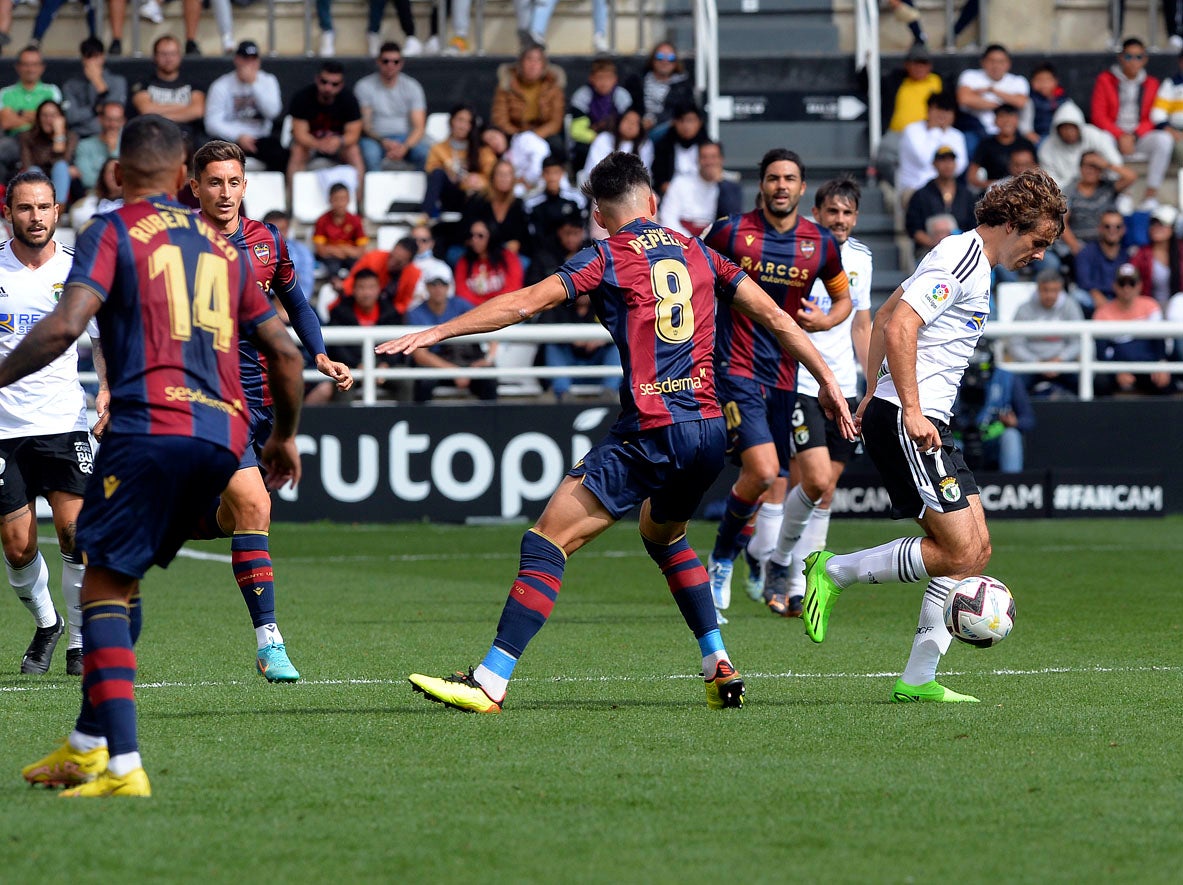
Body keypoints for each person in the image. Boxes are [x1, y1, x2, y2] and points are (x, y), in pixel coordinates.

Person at [377, 150, 855, 714]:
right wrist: (826, 380)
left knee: (546, 540)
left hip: (652, 428)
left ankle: (490, 681)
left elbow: (526, 303)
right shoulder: (703, 252)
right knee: (664, 536)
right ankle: (717, 662)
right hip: (706, 431)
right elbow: (777, 317)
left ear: (600, 216)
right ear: (653, 202)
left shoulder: (605, 255)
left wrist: (439, 331)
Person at [16, 114, 305, 798]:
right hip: (222, 438)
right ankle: (86, 743)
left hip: (148, 430)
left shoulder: (110, 231)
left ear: (116, 176)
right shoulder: (225, 246)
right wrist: (283, 436)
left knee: (102, 585)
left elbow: (63, 326)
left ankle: (120, 764)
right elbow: (288, 356)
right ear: (184, 178)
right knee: (124, 576)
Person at [799, 168, 1065, 704]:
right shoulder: (963, 257)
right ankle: (834, 571)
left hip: (911, 415)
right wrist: (905, 408)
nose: (1039, 255)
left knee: (975, 550)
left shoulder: (972, 262)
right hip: (912, 420)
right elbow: (900, 327)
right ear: (1012, 224)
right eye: (1037, 242)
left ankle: (918, 678)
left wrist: (871, 391)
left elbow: (890, 311)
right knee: (959, 549)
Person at [188, 139, 353, 679]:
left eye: (233, 181)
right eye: (214, 182)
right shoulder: (175, 243)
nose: (225, 192)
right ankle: (270, 642)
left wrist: (320, 353)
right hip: (206, 399)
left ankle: (176, 523)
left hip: (262, 399)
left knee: (237, 514)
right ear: (195, 187)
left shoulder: (267, 241)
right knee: (256, 508)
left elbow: (297, 301)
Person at [703, 149, 852, 624]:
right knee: (767, 472)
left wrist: (826, 319)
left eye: (789, 178)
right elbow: (692, 276)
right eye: (772, 178)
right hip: (734, 368)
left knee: (787, 477)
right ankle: (722, 560)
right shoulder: (730, 232)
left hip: (787, 377)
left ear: (802, 188)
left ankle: (751, 557)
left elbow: (843, 298)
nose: (781, 186)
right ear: (761, 185)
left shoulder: (821, 243)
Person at [0, 171, 105, 678]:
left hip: (64, 420)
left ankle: (80, 643)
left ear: (57, 211)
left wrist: (107, 389)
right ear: (9, 212)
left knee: (75, 533)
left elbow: (102, 337)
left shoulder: (77, 269)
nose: (35, 217)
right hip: (3, 427)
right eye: (25, 208)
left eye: (44, 207)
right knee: (18, 545)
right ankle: (48, 623)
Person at [756, 177, 872, 616]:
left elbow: (861, 324)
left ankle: (802, 585)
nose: (840, 220)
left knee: (825, 491)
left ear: (855, 218)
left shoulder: (861, 258)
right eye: (832, 212)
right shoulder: (797, 252)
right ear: (816, 214)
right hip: (801, 382)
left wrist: (868, 383)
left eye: (847, 213)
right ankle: (778, 560)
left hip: (843, 386)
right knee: (813, 479)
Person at [1090, 37, 1173, 209]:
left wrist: (1133, 136)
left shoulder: (1152, 83)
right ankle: (1123, 190)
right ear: (1121, 58)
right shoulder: (1105, 79)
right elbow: (1098, 115)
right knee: (1101, 138)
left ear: (1145, 59)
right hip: (1113, 135)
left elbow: (1153, 116)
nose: (1133, 62)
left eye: (1138, 57)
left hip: (1139, 136)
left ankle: (1151, 194)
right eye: (1129, 57)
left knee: (1164, 140)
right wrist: (1120, 135)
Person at [405, 267, 499, 403]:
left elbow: (492, 330)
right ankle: (421, 422)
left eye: (443, 284)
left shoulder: (461, 305)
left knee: (489, 377)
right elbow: (420, 355)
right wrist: (455, 371)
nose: (438, 289)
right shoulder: (415, 313)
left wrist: (488, 359)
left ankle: (490, 422)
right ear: (426, 286)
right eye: (433, 284)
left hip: (466, 360)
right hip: (436, 363)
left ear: (448, 286)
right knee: (424, 381)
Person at [286, 61, 365, 200]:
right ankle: (293, 202)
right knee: (297, 151)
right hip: (311, 145)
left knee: (354, 152)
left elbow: (354, 134)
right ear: (317, 79)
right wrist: (318, 144)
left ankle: (357, 205)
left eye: (334, 84)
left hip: (338, 146)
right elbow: (299, 134)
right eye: (324, 82)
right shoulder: (302, 98)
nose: (328, 88)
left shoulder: (349, 100)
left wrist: (339, 141)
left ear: (341, 85)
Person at [203, 41, 286, 173]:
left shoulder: (268, 80)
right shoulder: (221, 85)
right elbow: (212, 123)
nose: (249, 64)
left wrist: (254, 85)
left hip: (260, 139)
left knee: (280, 154)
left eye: (253, 59)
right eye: (245, 59)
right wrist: (238, 137)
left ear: (259, 61)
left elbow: (273, 112)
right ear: (236, 60)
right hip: (229, 139)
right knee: (211, 153)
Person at [490, 46, 567, 190]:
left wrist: (533, 136)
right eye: (529, 59)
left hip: (542, 133)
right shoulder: (506, 84)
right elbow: (499, 117)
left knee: (557, 145)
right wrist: (518, 135)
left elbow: (556, 121)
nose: (533, 64)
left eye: (538, 60)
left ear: (544, 65)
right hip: (514, 133)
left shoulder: (553, 86)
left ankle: (550, 182)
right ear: (520, 63)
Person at [951, 346, 1035, 473]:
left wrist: (1015, 422)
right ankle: (948, 487)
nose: (974, 377)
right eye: (969, 370)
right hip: (960, 437)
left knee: (1011, 436)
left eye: (982, 368)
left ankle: (1012, 483)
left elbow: (1029, 419)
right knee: (945, 442)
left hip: (992, 436)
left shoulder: (1006, 378)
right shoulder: (950, 377)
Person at [1093, 262, 1173, 394]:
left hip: (1148, 366)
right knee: (1100, 383)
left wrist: (1161, 363)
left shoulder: (1151, 306)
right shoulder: (1102, 313)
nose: (1127, 288)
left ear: (1139, 285)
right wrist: (1116, 371)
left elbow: (1159, 341)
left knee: (1164, 381)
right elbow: (1101, 351)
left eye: (1132, 283)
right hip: (1116, 367)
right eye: (1122, 283)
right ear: (1114, 286)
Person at [1008, 268, 1083, 397]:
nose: (1050, 295)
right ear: (1038, 289)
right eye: (1045, 290)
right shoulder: (1024, 309)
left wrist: (1060, 359)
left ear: (1060, 290)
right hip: (1031, 365)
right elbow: (1016, 345)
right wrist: (1037, 363)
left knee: (1091, 381)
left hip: (1063, 364)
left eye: (1054, 291)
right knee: (1014, 386)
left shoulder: (1070, 306)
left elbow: (1078, 341)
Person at [355, 41, 428, 172]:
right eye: (386, 61)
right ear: (378, 62)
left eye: (395, 61)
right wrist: (383, 141)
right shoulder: (364, 86)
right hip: (376, 139)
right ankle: (375, 192)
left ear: (401, 63)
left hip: (405, 138)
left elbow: (419, 127)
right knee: (370, 155)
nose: (390, 65)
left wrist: (405, 147)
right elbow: (365, 126)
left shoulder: (412, 87)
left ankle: (421, 192)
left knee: (425, 154)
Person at [875, 44, 943, 183]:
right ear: (907, 65)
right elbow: (868, 83)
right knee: (883, 159)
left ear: (930, 66)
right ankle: (903, 187)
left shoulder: (938, 81)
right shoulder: (896, 81)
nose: (919, 68)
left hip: (927, 132)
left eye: (923, 64)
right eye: (915, 63)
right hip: (898, 134)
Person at [130, 35, 207, 149]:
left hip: (188, 139)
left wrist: (158, 113)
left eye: (173, 54)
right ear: (155, 56)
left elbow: (197, 111)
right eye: (163, 54)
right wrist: (182, 107)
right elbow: (146, 110)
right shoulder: (143, 84)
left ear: (179, 56)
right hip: (153, 139)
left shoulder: (193, 84)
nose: (169, 58)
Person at [422, 104, 497, 220]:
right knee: (437, 173)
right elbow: (431, 171)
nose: (463, 126)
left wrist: (480, 180)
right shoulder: (438, 148)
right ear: (451, 121)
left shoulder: (482, 150)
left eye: (468, 122)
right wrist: (449, 173)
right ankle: (425, 219)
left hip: (472, 196)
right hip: (449, 195)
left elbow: (493, 173)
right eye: (460, 120)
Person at [1037, 100, 1130, 193]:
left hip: (1100, 189)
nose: (1069, 132)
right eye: (1064, 128)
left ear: (1079, 126)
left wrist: (1103, 165)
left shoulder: (1096, 136)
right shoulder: (1047, 148)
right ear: (1057, 129)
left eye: (1072, 127)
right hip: (1066, 196)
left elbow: (1118, 166)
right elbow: (1050, 182)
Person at [0, 47, 62, 184]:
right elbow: (6, 122)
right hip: (15, 141)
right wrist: (37, 115)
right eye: (26, 64)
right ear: (18, 67)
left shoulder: (52, 91)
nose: (30, 69)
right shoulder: (6, 93)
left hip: (44, 139)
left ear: (42, 67)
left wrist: (19, 113)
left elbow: (53, 121)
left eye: (34, 64)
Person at [896, 91, 968, 206]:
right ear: (928, 110)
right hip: (915, 188)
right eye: (938, 110)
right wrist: (935, 130)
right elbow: (925, 160)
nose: (942, 115)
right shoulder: (912, 130)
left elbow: (959, 166)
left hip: (945, 189)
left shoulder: (957, 135)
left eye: (947, 111)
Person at [657, 140, 742, 238]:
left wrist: (721, 183)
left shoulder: (729, 187)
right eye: (704, 157)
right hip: (682, 239)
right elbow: (667, 217)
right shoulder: (680, 183)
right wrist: (691, 241)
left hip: (711, 241)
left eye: (713, 157)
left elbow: (732, 221)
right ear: (697, 159)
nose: (709, 162)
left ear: (721, 159)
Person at [905, 147, 978, 256]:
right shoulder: (921, 194)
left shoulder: (966, 195)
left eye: (950, 160)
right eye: (942, 160)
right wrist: (936, 244)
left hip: (962, 252)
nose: (947, 165)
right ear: (934, 164)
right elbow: (913, 228)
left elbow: (974, 226)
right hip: (929, 252)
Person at [568, 58, 633, 173]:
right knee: (581, 149)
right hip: (591, 139)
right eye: (600, 78)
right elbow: (577, 130)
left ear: (615, 79)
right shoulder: (582, 97)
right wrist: (599, 140)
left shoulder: (623, 97)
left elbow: (627, 125)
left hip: (617, 139)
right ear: (591, 79)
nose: (604, 82)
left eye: (608, 78)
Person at [1060, 150, 1132, 254]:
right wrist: (1076, 247)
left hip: (1107, 242)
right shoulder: (1070, 190)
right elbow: (1062, 222)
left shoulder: (1108, 187)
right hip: (1079, 244)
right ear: (1080, 168)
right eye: (1087, 166)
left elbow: (1131, 177)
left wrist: (1106, 164)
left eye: (1095, 166)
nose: (1091, 171)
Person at [955, 45, 1030, 144]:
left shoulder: (1018, 81)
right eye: (992, 61)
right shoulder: (970, 76)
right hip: (975, 128)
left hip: (1007, 131)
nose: (996, 66)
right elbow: (964, 99)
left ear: (1008, 64)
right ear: (983, 62)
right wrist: (1003, 104)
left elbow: (1021, 102)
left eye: (1001, 62)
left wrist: (992, 91)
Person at [62, 37, 128, 142]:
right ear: (83, 59)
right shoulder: (71, 85)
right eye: (89, 57)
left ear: (103, 57)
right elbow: (71, 117)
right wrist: (94, 109)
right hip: (81, 136)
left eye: (96, 56)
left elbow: (114, 113)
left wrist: (98, 83)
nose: (92, 62)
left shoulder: (117, 81)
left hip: (111, 135)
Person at [626, 42, 693, 142]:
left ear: (675, 62)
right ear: (653, 59)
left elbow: (684, 113)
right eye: (660, 56)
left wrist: (654, 120)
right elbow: (629, 107)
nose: (665, 61)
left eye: (670, 58)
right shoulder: (638, 80)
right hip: (638, 127)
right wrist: (639, 122)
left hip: (667, 132)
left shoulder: (683, 87)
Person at [19, 100, 80, 207]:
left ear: (61, 119)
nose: (48, 120)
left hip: (62, 181)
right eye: (44, 115)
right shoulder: (27, 136)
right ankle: (39, 210)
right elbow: (27, 164)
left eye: (53, 116)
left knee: (61, 167)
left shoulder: (70, 137)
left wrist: (59, 136)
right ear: (38, 118)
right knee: (34, 171)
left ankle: (56, 212)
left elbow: (65, 161)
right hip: (36, 180)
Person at [454, 219, 524, 306]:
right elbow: (461, 292)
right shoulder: (463, 262)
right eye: (471, 235)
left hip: (505, 307)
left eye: (480, 236)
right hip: (475, 311)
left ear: (491, 235)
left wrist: (492, 306)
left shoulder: (508, 257)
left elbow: (514, 287)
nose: (474, 240)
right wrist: (483, 306)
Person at [967, 104, 1036, 190]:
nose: (1007, 121)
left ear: (1017, 120)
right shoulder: (986, 144)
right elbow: (972, 177)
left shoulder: (1026, 144)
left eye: (1010, 116)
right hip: (995, 193)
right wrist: (997, 186)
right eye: (1002, 116)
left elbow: (1037, 171)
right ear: (995, 121)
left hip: (1025, 190)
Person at [1075, 209, 1132, 313]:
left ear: (1123, 230)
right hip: (1092, 299)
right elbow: (1083, 281)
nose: (1112, 230)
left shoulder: (1128, 255)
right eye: (1107, 226)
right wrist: (1095, 294)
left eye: (1117, 227)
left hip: (1120, 299)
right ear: (1100, 228)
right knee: (1077, 296)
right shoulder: (1086, 252)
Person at [313, 182, 369, 284]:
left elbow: (361, 251)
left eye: (343, 199)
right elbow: (320, 250)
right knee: (332, 266)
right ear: (330, 200)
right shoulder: (322, 221)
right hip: (330, 258)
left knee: (358, 266)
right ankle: (337, 287)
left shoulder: (355, 220)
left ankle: (353, 287)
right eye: (336, 199)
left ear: (349, 200)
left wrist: (339, 249)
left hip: (349, 257)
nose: (340, 204)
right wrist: (345, 250)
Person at [581, 107, 653, 185]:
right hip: (599, 185)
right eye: (627, 120)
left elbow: (644, 173)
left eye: (635, 123)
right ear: (619, 121)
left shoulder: (645, 145)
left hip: (630, 189)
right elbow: (594, 167)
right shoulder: (604, 138)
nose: (630, 126)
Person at [650, 102, 709, 195]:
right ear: (674, 123)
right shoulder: (663, 147)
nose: (686, 126)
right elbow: (660, 180)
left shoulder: (708, 147)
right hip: (671, 197)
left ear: (699, 122)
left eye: (690, 120)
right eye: (681, 120)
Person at [1130, 204, 1181, 309]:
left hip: (1179, 307)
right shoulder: (1141, 254)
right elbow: (1130, 281)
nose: (1155, 228)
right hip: (1149, 308)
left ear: (1172, 229)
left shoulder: (1181, 251)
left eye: (1161, 224)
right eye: (1153, 224)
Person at [74, 99, 124, 192]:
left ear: (123, 121)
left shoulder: (130, 145)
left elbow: (131, 179)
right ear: (100, 119)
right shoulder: (84, 146)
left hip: (125, 197)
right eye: (109, 119)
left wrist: (112, 151)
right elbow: (87, 180)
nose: (113, 124)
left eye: (117, 120)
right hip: (95, 197)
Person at [1022, 63, 1067, 144]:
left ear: (1056, 81)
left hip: (1059, 138)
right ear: (1031, 82)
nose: (1044, 84)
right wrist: (1029, 134)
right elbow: (1025, 125)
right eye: (1039, 80)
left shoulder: (1064, 100)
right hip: (1037, 138)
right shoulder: (1029, 100)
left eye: (1047, 80)